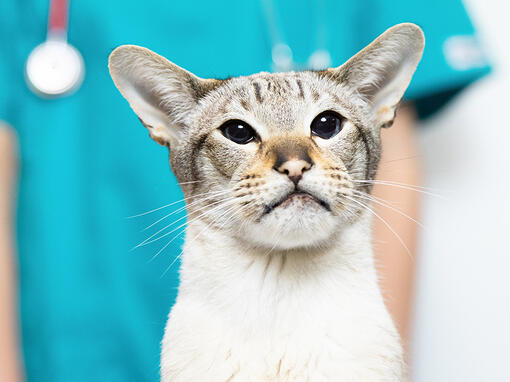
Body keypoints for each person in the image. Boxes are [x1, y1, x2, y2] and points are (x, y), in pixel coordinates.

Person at [0, 0, 490, 381]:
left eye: (324, 124)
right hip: (84, 323)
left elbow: (386, 152)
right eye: (239, 132)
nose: (293, 163)